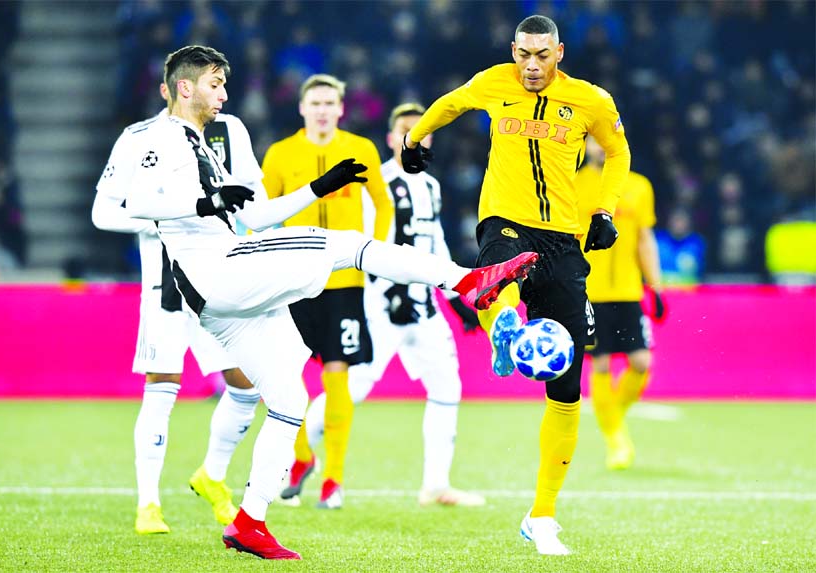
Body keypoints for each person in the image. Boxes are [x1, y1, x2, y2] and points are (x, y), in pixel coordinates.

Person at [124, 45, 536, 560]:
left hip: (222, 299)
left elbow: (257, 215)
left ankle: (250, 521)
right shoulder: (159, 136)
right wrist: (205, 203)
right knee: (345, 243)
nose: (224, 94)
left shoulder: (206, 141)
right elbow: (135, 203)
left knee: (290, 403)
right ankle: (468, 282)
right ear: (185, 88)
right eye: (214, 84)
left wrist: (320, 186)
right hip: (220, 272)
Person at [401, 15, 631, 555]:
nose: (531, 65)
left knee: (569, 387)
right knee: (498, 269)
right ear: (513, 50)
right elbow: (451, 103)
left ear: (560, 53)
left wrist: (605, 208)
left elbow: (619, 152)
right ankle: (503, 320)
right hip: (503, 218)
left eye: (542, 55)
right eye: (523, 54)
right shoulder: (493, 82)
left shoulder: (592, 100)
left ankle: (542, 516)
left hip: (565, 238)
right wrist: (415, 137)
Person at [302, 103, 486, 508]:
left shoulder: (432, 187)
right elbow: (367, 245)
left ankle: (435, 485)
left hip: (425, 308)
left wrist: (458, 301)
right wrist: (385, 291)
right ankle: (294, 462)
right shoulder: (377, 184)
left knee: (446, 387)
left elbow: (434, 245)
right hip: (380, 307)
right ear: (391, 138)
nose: (413, 139)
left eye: (420, 133)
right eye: (405, 132)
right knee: (352, 386)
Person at [93, 102, 260, 535]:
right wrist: (157, 221)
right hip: (164, 286)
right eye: (211, 82)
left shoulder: (230, 130)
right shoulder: (139, 136)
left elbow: (253, 195)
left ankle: (213, 475)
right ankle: (148, 504)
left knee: (247, 386)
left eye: (221, 82)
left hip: (220, 281)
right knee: (162, 386)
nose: (218, 93)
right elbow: (103, 211)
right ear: (174, 89)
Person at [261, 74, 394, 509]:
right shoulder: (281, 154)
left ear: (341, 108)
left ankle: (333, 477)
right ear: (302, 108)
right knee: (287, 374)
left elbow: (383, 201)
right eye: (314, 102)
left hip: (343, 281)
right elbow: (262, 212)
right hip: (295, 279)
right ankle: (301, 457)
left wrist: (371, 251)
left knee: (337, 374)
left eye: (329, 103)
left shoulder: (361, 149)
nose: (321, 109)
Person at [575, 136, 665, 470]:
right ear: (584, 147)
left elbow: (644, 238)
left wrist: (655, 286)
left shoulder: (639, 186)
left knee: (641, 362)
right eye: (593, 142)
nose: (599, 148)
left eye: (605, 141)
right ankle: (617, 441)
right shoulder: (573, 184)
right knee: (599, 364)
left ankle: (611, 414)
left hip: (628, 291)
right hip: (589, 291)